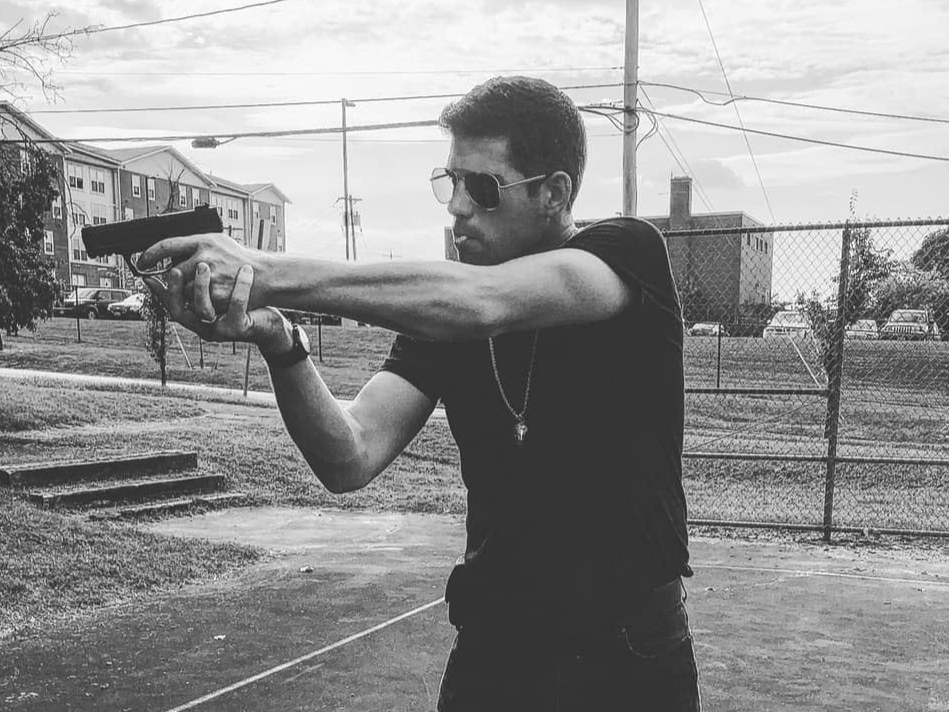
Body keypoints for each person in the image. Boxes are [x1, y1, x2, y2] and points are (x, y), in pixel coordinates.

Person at [141, 75, 699, 711]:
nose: (457, 206)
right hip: (496, 648)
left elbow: (486, 302)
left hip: (625, 653)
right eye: (449, 180)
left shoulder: (625, 255)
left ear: (554, 193)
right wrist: (279, 340)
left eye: (482, 187)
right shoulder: (443, 312)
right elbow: (349, 456)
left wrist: (262, 271)